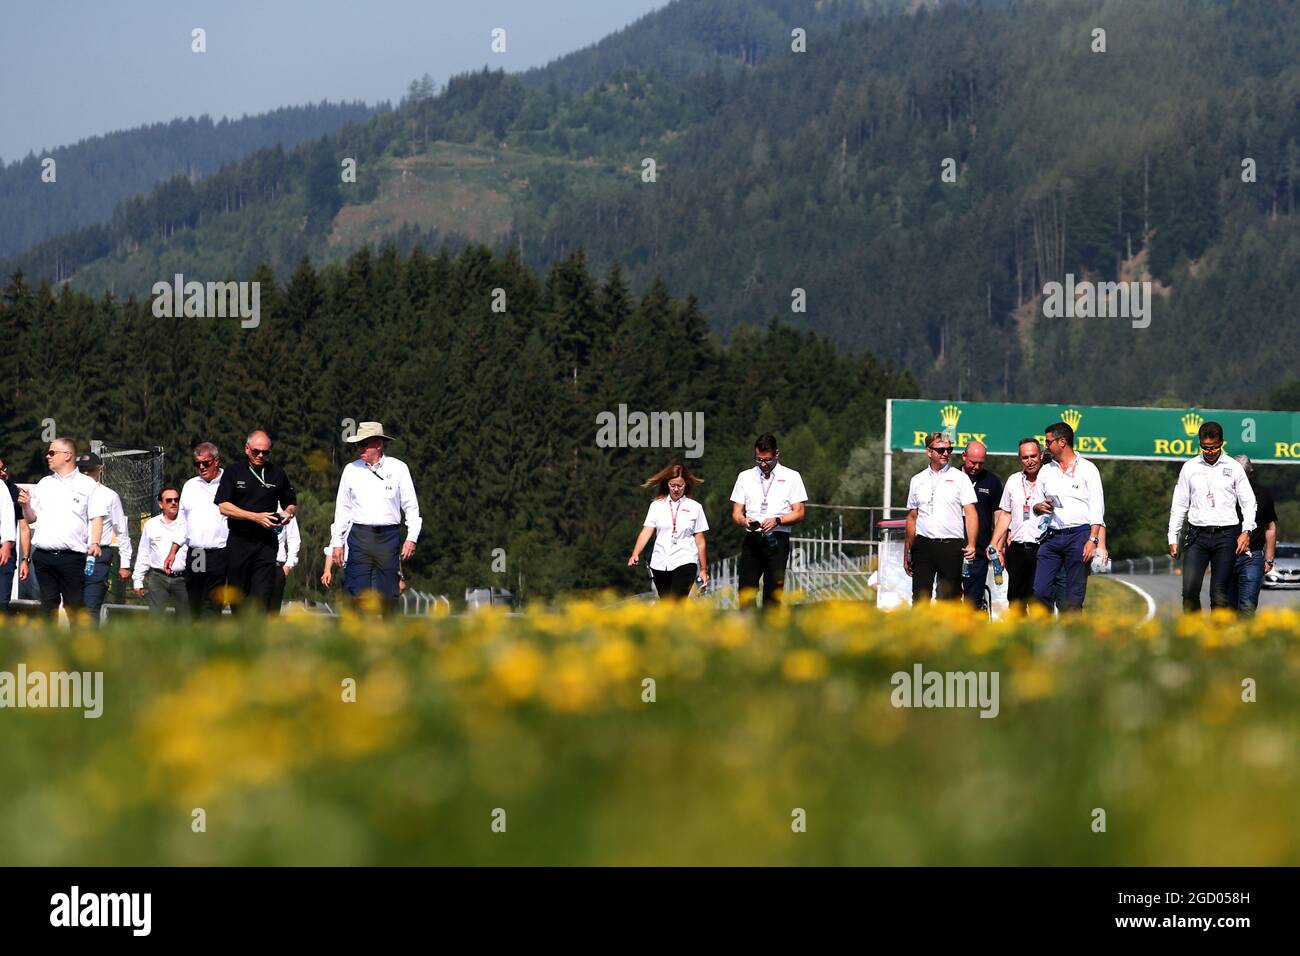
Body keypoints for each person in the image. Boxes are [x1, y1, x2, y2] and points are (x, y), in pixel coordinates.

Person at [329, 422, 420, 612]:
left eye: (364, 444)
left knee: (388, 594)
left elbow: (411, 506)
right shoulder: (351, 470)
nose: (360, 449)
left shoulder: (399, 469)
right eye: (358, 445)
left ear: (378, 444)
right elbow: (342, 509)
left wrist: (411, 538)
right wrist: (337, 542)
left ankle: (387, 637)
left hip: (388, 537)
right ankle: (355, 637)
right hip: (359, 536)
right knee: (355, 591)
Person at [1167, 422, 1256, 613]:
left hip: (1226, 535)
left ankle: (1217, 637)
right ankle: (1193, 634)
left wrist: (1246, 531)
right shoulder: (1189, 468)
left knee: (1218, 592)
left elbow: (1249, 502)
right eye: (1205, 448)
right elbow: (1179, 505)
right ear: (1200, 444)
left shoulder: (1234, 467)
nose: (1210, 451)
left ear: (1221, 443)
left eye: (1214, 447)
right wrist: (1172, 537)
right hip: (1197, 535)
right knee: (1189, 590)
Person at [18, 438, 108, 620]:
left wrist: (96, 542)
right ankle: (49, 646)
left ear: (67, 456)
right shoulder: (44, 483)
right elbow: (31, 518)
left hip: (72, 557)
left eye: (52, 453)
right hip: (43, 555)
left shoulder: (88, 484)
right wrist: (26, 506)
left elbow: (97, 517)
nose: (47, 456)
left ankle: (79, 646)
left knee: (74, 605)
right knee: (48, 604)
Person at [215, 430, 298, 615]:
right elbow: (223, 506)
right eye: (256, 451)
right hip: (239, 541)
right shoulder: (233, 472)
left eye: (265, 452)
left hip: (266, 543)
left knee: (261, 595)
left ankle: (257, 635)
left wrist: (288, 513)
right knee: (238, 595)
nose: (261, 455)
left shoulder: (277, 473)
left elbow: (291, 502)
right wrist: (255, 517)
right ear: (246, 449)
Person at [729, 433, 807, 610]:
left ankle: (770, 631)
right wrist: (744, 520)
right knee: (746, 588)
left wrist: (777, 520)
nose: (763, 464)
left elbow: (800, 513)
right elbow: (736, 513)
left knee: (773, 590)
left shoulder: (792, 477)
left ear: (777, 454)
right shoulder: (745, 477)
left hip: (778, 539)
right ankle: (747, 628)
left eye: (767, 460)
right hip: (752, 538)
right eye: (758, 459)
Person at [1033, 421, 1104, 612]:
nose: (1045, 447)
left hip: (1079, 535)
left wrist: (1093, 539)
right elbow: (1035, 504)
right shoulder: (1046, 471)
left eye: (1048, 442)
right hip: (1052, 535)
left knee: (1074, 597)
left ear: (1062, 442)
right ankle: (1044, 629)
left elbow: (1097, 509)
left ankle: (1073, 636)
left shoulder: (1088, 469)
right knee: (1040, 590)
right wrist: (1039, 507)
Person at [905, 432, 978, 603]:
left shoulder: (961, 478)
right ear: (929, 452)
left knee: (949, 600)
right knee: (920, 598)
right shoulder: (917, 480)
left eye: (949, 449)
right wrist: (908, 550)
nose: (946, 453)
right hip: (923, 545)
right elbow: (912, 517)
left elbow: (971, 513)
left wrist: (972, 543)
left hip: (951, 546)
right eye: (940, 450)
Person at [628, 463, 709, 600]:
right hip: (660, 562)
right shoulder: (656, 506)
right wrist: (635, 553)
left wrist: (703, 569)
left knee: (677, 602)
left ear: (686, 484)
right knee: (667, 604)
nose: (676, 489)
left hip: (685, 560)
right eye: (673, 485)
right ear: (667, 484)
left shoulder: (695, 507)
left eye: (680, 485)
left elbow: (700, 541)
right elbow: (646, 531)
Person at [167, 442, 229, 617]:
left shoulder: (228, 482)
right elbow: (182, 522)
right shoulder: (190, 486)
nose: (201, 467)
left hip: (220, 553)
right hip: (197, 553)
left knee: (213, 600)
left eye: (206, 463)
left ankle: (210, 637)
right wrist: (173, 551)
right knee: (194, 596)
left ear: (216, 461)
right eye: (197, 464)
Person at [990, 438, 1046, 615]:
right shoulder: (1013, 481)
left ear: (1041, 455)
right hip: (1017, 549)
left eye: (1033, 456)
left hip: (1043, 548)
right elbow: (1006, 514)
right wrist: (994, 543)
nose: (1029, 461)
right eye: (1025, 457)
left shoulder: (1051, 479)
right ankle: (1018, 639)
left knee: (1039, 600)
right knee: (1016, 601)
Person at [77, 452, 133, 624]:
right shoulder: (70, 493)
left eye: (90, 469)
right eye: (82, 470)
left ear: (100, 470)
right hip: (72, 554)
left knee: (90, 606)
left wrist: (125, 564)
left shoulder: (109, 496)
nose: (86, 473)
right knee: (72, 606)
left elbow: (121, 531)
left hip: (97, 556)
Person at [1225, 455, 1276, 615]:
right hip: (1225, 555)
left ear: (1251, 473)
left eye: (1242, 474)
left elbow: (1270, 527)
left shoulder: (1263, 494)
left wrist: (1269, 558)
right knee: (1226, 609)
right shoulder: (1223, 494)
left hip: (1252, 558)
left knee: (1247, 607)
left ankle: (1245, 637)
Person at [958, 440, 1002, 609]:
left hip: (979, 552)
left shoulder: (992, 482)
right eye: (972, 462)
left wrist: (998, 545)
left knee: (973, 603)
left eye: (980, 463)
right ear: (964, 456)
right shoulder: (952, 477)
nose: (976, 466)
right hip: (953, 549)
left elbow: (999, 516)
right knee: (949, 600)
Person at [132, 488, 189, 615]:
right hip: (158, 578)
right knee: (155, 620)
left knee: (185, 620)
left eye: (176, 500)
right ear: (160, 504)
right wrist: (138, 580)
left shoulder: (187, 524)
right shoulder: (151, 525)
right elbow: (144, 553)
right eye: (169, 500)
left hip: (183, 579)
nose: (173, 503)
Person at [271, 513, 301, 612]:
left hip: (277, 565)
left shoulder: (286, 508)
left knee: (273, 611)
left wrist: (288, 565)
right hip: (254, 565)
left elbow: (294, 538)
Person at [0, 456, 17, 612]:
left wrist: (6, 544)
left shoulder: (2, 487)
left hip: (2, 550)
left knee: (1, 602)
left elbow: (7, 517)